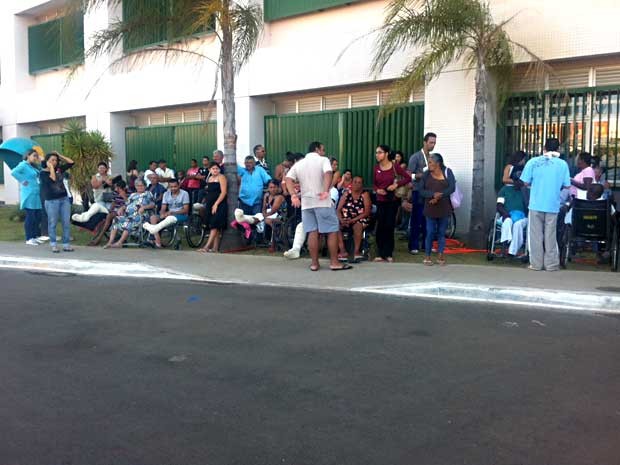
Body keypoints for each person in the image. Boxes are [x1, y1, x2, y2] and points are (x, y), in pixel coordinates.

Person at [285, 141, 351, 271]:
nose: (324, 152)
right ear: (317, 149)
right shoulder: (323, 160)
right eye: (323, 149)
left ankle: (314, 263)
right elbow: (328, 173)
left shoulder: (300, 163)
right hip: (322, 201)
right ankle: (334, 262)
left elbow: (288, 178)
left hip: (306, 203)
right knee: (332, 231)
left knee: (312, 232)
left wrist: (293, 195)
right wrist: (326, 190)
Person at [520, 138, 571, 271]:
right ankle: (552, 264)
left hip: (536, 203)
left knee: (535, 235)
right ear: (558, 149)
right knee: (550, 235)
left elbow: (524, 182)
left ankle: (536, 264)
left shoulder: (533, 162)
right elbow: (567, 185)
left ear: (544, 148)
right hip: (553, 204)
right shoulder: (563, 164)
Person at [373, 144, 412, 262]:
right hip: (380, 200)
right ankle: (380, 252)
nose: (377, 155)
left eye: (379, 152)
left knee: (389, 225)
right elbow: (374, 183)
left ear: (386, 154)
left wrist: (396, 185)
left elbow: (407, 178)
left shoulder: (395, 166)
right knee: (380, 226)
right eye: (376, 152)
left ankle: (388, 253)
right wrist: (377, 190)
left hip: (392, 200)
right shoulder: (376, 168)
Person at [419, 153, 455, 266]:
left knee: (441, 233)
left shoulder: (447, 172)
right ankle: (427, 256)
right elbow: (421, 190)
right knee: (429, 232)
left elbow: (452, 188)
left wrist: (440, 195)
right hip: (430, 207)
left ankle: (440, 255)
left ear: (438, 163)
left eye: (430, 162)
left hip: (444, 208)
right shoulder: (426, 175)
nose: (428, 164)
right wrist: (433, 195)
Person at [40, 151, 75, 253]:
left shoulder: (59, 169)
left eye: (56, 160)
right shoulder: (43, 173)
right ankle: (54, 244)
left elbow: (71, 162)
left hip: (64, 199)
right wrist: (50, 168)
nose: (54, 162)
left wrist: (59, 155)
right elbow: (53, 179)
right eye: (52, 160)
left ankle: (66, 244)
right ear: (47, 161)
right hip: (51, 201)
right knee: (53, 223)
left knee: (66, 222)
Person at [104, 179, 155, 249]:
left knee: (129, 221)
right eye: (138, 186)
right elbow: (127, 204)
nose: (140, 187)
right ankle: (110, 242)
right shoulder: (132, 195)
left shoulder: (148, 193)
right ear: (135, 187)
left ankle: (119, 242)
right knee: (116, 219)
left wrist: (144, 207)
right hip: (128, 215)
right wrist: (121, 208)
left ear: (145, 186)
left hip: (140, 215)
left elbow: (153, 204)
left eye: (141, 186)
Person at [408, 132, 437, 254]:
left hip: (429, 192)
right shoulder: (416, 157)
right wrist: (419, 175)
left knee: (428, 220)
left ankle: (426, 245)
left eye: (434, 143)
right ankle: (413, 245)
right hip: (418, 191)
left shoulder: (432, 157)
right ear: (425, 142)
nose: (433, 145)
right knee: (417, 219)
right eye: (431, 142)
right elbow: (408, 174)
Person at [143, 179, 190, 248]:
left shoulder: (184, 194)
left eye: (175, 186)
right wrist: (162, 214)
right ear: (168, 186)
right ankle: (158, 242)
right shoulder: (166, 194)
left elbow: (186, 210)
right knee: (153, 217)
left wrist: (172, 212)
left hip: (181, 215)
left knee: (169, 218)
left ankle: (153, 231)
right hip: (169, 215)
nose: (173, 188)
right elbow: (163, 208)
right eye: (171, 187)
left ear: (179, 185)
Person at [11, 149, 44, 245]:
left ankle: (34, 236)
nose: (35, 158)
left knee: (37, 216)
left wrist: (41, 161)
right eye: (34, 156)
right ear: (28, 156)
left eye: (36, 156)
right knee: (31, 216)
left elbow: (41, 172)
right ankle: (29, 238)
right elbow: (14, 172)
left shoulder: (32, 167)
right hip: (29, 194)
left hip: (36, 194)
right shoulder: (23, 165)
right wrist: (22, 181)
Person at [337, 175, 371, 262]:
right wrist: (341, 219)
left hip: (359, 219)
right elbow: (338, 209)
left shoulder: (365, 194)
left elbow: (366, 212)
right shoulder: (346, 193)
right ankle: (343, 251)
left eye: (359, 182)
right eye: (355, 182)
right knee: (335, 226)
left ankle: (356, 252)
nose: (357, 184)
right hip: (345, 219)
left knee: (358, 226)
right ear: (352, 183)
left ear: (362, 185)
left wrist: (353, 220)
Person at [198, 162, 228, 253]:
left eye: (217, 168)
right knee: (214, 225)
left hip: (219, 204)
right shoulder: (210, 178)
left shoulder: (221, 177)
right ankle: (215, 248)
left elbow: (223, 192)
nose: (215, 170)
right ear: (210, 170)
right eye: (213, 169)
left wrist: (216, 204)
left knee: (214, 225)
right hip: (210, 204)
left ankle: (207, 246)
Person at [496, 174, 528, 257]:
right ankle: (504, 248)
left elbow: (528, 206)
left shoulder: (527, 191)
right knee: (507, 222)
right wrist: (505, 213)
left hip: (523, 217)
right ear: (513, 181)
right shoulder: (505, 189)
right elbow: (499, 205)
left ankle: (512, 252)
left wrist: (524, 191)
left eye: (521, 180)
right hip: (507, 214)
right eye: (516, 180)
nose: (519, 182)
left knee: (518, 225)